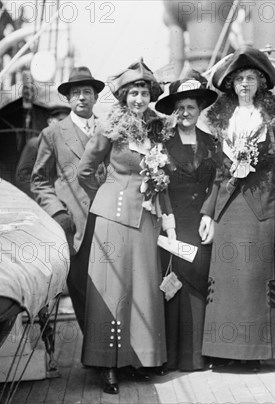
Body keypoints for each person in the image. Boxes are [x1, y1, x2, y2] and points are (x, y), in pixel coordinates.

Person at [77, 60, 176, 394]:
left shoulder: (157, 126)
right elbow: (85, 170)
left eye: (143, 91)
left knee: (144, 287)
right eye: (133, 92)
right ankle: (107, 365)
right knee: (113, 289)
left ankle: (142, 359)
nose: (138, 98)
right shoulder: (111, 125)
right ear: (123, 95)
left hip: (146, 216)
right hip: (113, 218)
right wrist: (109, 193)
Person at [201, 46, 275, 369]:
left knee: (254, 277)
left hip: (261, 205)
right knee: (227, 279)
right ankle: (223, 351)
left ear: (261, 84)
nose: (244, 84)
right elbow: (217, 172)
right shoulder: (222, 123)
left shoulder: (273, 120)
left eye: (251, 78)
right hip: (228, 206)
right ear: (230, 85)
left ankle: (253, 352)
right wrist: (208, 213)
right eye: (239, 79)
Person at [31, 67, 105, 332]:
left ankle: (120, 356)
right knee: (83, 289)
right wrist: (57, 213)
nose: (82, 98)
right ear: (68, 99)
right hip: (74, 227)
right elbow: (39, 180)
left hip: (111, 221)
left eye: (87, 92)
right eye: (76, 93)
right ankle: (97, 360)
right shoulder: (52, 134)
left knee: (114, 288)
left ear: (96, 97)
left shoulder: (110, 129)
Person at [154, 73, 218, 372]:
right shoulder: (162, 144)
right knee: (173, 285)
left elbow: (218, 182)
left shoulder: (211, 143)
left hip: (201, 222)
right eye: (180, 108)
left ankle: (198, 355)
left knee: (198, 282)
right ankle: (172, 356)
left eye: (191, 107)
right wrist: (169, 225)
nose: (186, 113)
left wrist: (210, 214)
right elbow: (158, 186)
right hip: (173, 222)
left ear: (199, 109)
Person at [16, 106, 70, 198]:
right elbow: (22, 178)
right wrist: (46, 197)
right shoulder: (35, 144)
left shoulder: (65, 149)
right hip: (39, 201)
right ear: (50, 122)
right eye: (60, 120)